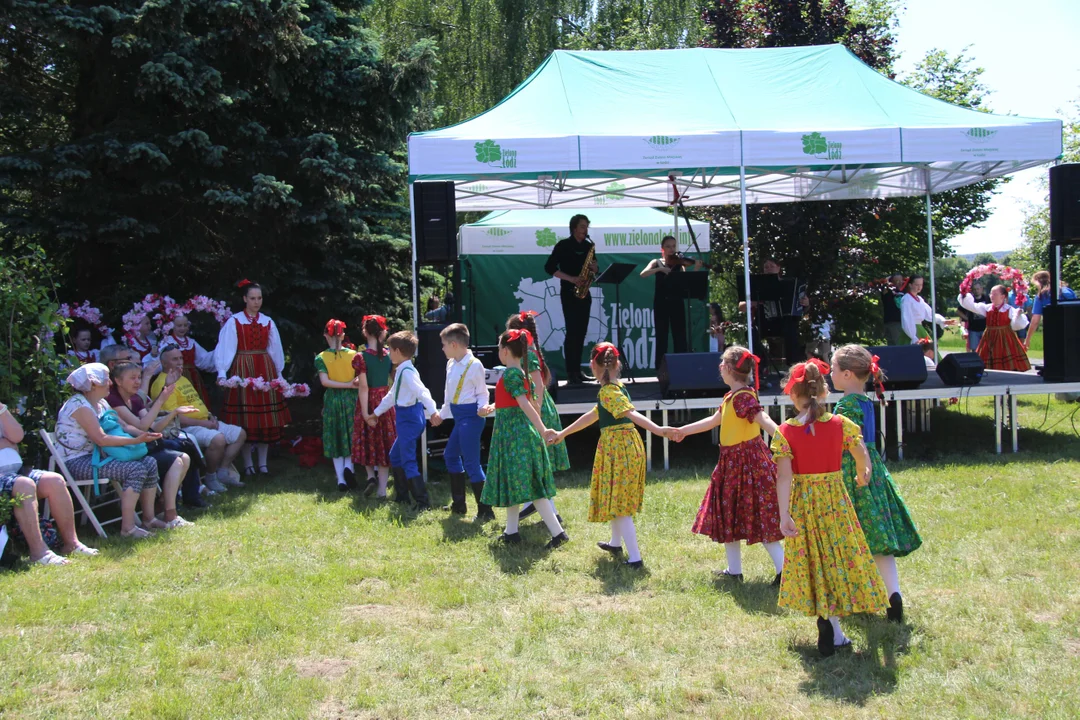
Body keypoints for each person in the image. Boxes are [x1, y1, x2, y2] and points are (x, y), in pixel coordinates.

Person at [771, 358, 888, 657]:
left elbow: (784, 477)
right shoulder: (839, 423)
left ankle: (829, 623)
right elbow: (860, 450)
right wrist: (864, 471)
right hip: (835, 502)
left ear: (792, 395)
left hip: (804, 504)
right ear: (823, 392)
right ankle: (835, 629)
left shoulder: (784, 431)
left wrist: (785, 514)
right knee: (837, 560)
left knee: (814, 562)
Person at [547, 342, 668, 568]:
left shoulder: (609, 391)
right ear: (617, 364)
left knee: (621, 505)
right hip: (621, 447)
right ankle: (615, 542)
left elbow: (630, 413)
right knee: (616, 496)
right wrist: (563, 433)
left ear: (594, 365)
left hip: (619, 448)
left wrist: (659, 430)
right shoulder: (615, 389)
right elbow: (594, 415)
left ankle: (635, 558)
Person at [670, 347, 785, 584]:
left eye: (722, 364)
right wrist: (683, 431)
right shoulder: (732, 396)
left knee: (761, 518)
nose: (719, 367)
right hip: (731, 465)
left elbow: (762, 419)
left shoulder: (744, 397)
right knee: (729, 516)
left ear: (731, 370)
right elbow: (714, 421)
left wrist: (782, 438)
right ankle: (734, 571)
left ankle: (785, 572)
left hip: (747, 467)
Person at [830, 345, 923, 623]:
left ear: (847, 374)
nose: (830, 375)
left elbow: (848, 442)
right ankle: (893, 594)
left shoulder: (845, 405)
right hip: (874, 471)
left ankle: (853, 598)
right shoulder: (865, 401)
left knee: (850, 535)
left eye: (833, 370)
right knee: (877, 539)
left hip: (852, 471)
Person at [480, 329, 567, 548]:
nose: (498, 352)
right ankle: (511, 532)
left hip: (516, 437)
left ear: (506, 351)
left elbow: (525, 404)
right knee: (515, 483)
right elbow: (512, 401)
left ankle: (558, 534)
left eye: (499, 349)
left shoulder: (510, 374)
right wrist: (492, 407)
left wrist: (543, 428)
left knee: (532, 486)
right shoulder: (520, 373)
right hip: (514, 435)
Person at [54, 364, 162, 539]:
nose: (110, 383)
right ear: (93, 384)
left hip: (98, 456)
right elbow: (101, 439)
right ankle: (128, 528)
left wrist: (145, 434)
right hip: (77, 461)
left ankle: (148, 519)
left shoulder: (101, 403)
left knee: (149, 462)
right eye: (106, 379)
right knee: (135, 469)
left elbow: (124, 426)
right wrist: (135, 440)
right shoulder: (79, 406)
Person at [1, 400, 99, 565]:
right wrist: (4, 443)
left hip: (14, 472)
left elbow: (17, 436)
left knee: (55, 481)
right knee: (24, 485)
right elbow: (9, 442)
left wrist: (2, 409)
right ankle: (38, 552)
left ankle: (71, 544)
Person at [215, 280, 290, 475]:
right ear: (245, 299)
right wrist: (222, 372)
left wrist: (278, 374)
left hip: (265, 369)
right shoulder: (235, 321)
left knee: (265, 419)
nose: (256, 302)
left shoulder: (267, 321)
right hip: (243, 368)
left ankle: (263, 464)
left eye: (259, 298)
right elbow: (227, 347)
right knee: (246, 418)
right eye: (252, 298)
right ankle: (248, 464)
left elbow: (275, 348)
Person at [107, 362, 194, 528]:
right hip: (130, 450)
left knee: (185, 458)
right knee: (177, 461)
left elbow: (154, 426)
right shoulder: (113, 400)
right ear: (118, 381)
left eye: (139, 377)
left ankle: (164, 505)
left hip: (144, 446)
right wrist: (161, 400)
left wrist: (174, 413)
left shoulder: (135, 399)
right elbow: (141, 426)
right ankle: (170, 514)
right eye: (132, 378)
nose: (137, 381)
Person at [153, 345, 246, 493]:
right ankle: (211, 477)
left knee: (239, 434)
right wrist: (205, 424)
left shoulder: (181, 378)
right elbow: (174, 418)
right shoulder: (162, 383)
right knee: (218, 439)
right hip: (185, 427)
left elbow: (195, 401)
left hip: (205, 421)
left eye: (181, 358)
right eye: (175, 359)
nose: (180, 362)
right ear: (164, 363)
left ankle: (223, 471)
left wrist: (210, 417)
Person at [507, 312, 568, 526]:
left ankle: (544, 511)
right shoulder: (529, 351)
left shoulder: (529, 355)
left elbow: (538, 386)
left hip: (538, 409)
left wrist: (537, 413)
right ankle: (547, 512)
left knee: (538, 464)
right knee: (537, 465)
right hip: (536, 409)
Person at [432, 323, 493, 521]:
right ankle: (459, 505)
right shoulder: (451, 364)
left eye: (444, 345)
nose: (442, 349)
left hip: (471, 418)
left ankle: (486, 511)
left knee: (472, 462)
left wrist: (483, 408)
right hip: (459, 417)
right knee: (450, 455)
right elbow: (449, 395)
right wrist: (442, 414)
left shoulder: (474, 365)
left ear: (454, 345)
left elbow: (483, 394)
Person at [372, 330, 437, 510]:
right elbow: (392, 395)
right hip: (405, 417)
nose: (388, 352)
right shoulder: (401, 370)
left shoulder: (408, 372)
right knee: (395, 456)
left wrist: (433, 411)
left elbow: (423, 392)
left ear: (398, 351)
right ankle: (402, 496)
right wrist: (376, 413)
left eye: (390, 350)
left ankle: (422, 502)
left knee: (408, 459)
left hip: (410, 418)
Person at [544, 214, 597, 385]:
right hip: (569, 292)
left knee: (581, 332)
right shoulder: (563, 245)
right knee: (572, 331)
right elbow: (549, 267)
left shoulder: (589, 246)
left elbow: (595, 268)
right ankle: (570, 371)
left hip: (584, 292)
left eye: (586, 227)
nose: (585, 230)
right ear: (574, 228)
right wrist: (571, 278)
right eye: (582, 226)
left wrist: (594, 268)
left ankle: (578, 371)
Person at [640, 235, 704, 369]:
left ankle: (681, 368)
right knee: (661, 336)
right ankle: (660, 369)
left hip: (677, 303)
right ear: (662, 248)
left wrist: (696, 268)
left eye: (673, 246)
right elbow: (643, 274)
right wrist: (660, 269)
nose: (671, 249)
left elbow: (687, 281)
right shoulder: (656, 261)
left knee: (680, 336)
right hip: (661, 303)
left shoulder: (679, 264)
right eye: (668, 246)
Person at [352, 315, 395, 498]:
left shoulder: (360, 357)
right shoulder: (388, 355)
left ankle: (370, 476)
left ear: (365, 332)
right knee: (385, 442)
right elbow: (393, 380)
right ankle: (382, 490)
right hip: (385, 400)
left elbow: (363, 387)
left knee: (366, 439)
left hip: (368, 401)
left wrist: (365, 413)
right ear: (382, 332)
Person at [315, 319, 358, 491]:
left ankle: (341, 478)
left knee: (335, 435)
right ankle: (350, 469)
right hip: (351, 400)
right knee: (350, 434)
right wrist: (349, 384)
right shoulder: (354, 355)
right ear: (343, 335)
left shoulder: (321, 357)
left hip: (333, 399)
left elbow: (325, 382)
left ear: (326, 335)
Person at [740, 258, 808, 367]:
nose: (769, 269)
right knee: (750, 333)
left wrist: (806, 303)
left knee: (791, 329)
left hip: (784, 323)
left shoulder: (789, 284)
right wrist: (755, 302)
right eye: (766, 267)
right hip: (763, 322)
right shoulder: (757, 285)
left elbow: (801, 307)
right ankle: (761, 365)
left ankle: (793, 365)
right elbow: (741, 307)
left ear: (778, 268)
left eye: (772, 266)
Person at [957, 285, 1031, 372]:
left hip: (1005, 337)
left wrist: (1018, 315)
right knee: (985, 357)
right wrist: (964, 294)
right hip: (989, 336)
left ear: (1003, 296)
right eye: (991, 294)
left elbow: (1017, 324)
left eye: (995, 294)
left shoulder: (1009, 309)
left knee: (1006, 355)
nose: (992, 296)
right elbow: (971, 306)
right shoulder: (987, 307)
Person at [163, 314, 216, 407]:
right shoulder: (167, 341)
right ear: (172, 326)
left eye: (185, 325)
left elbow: (204, 358)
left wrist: (219, 351)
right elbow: (161, 360)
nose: (182, 328)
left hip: (193, 377)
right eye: (179, 326)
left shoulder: (191, 342)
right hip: (176, 376)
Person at [1025, 270, 1078, 350]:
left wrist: (1027, 339)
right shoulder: (1067, 290)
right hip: (1074, 328)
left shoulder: (1041, 296)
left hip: (1054, 330)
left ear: (1039, 282)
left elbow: (1035, 320)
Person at [900, 275, 950, 345]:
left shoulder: (920, 299)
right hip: (910, 330)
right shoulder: (906, 299)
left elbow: (929, 314)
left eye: (921, 285)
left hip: (920, 328)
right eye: (917, 285)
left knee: (929, 351)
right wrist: (913, 337)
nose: (919, 287)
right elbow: (907, 318)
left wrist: (942, 320)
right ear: (910, 285)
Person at [881, 274, 905, 346]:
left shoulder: (904, 292)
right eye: (897, 281)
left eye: (901, 280)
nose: (900, 282)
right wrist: (887, 281)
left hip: (901, 322)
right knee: (896, 344)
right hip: (893, 322)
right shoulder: (887, 291)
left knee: (897, 344)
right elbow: (883, 287)